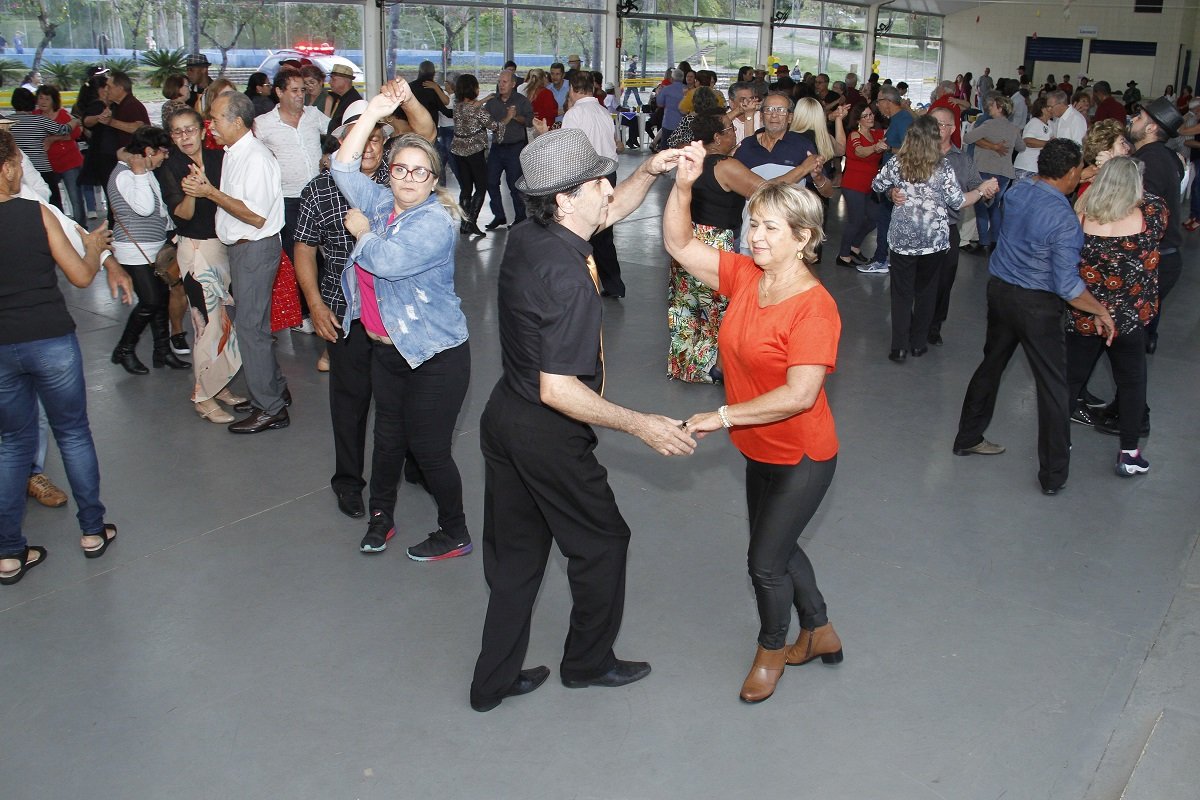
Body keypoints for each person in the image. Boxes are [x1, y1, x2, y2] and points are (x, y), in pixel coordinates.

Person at [469, 129, 694, 713]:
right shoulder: (567, 279)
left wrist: (650, 170)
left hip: (504, 417)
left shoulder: (533, 231)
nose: (607, 186)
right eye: (599, 179)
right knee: (603, 543)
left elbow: (611, 210)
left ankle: (491, 683)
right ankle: (588, 663)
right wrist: (640, 423)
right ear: (565, 197)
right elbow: (559, 389)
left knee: (517, 557)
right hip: (546, 430)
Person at [665, 142, 843, 703]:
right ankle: (820, 630)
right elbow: (678, 243)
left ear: (804, 238)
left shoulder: (815, 308)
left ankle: (772, 650)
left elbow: (799, 394)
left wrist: (721, 415)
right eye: (753, 225)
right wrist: (683, 186)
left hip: (803, 454)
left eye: (768, 228)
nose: (755, 237)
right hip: (759, 448)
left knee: (764, 562)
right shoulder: (747, 276)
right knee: (782, 544)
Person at [331, 82, 472, 561]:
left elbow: (386, 261)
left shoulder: (434, 222)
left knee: (430, 450)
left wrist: (363, 234)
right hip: (386, 351)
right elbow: (342, 165)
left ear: (434, 181)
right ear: (389, 174)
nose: (409, 179)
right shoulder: (381, 204)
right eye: (401, 169)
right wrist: (373, 111)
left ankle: (455, 531)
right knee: (387, 440)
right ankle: (380, 518)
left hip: (435, 355)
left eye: (420, 172)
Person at [952, 139, 1116, 496]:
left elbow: (1041, 200)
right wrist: (1101, 310)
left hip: (1000, 293)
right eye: (1079, 172)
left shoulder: (1017, 191)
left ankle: (967, 437)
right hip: (1038, 306)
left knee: (991, 365)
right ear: (1072, 173)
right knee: (1054, 388)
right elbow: (1069, 286)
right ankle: (1053, 475)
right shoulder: (1064, 221)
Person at [1, 129, 119, 585]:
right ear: (10, 167)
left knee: (12, 445)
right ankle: (93, 531)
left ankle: (9, 553)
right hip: (50, 338)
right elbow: (80, 275)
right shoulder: (35, 214)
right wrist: (93, 248)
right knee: (72, 433)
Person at [667, 110, 820, 384]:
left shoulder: (694, 159)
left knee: (687, 306)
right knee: (718, 307)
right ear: (717, 137)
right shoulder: (724, 165)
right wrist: (803, 169)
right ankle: (714, 367)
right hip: (714, 242)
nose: (735, 133)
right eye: (729, 129)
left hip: (689, 236)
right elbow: (766, 191)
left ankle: (687, 365)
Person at [293, 105, 392, 519]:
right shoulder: (319, 189)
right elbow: (303, 249)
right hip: (345, 314)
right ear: (341, 140)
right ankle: (349, 483)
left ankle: (417, 468)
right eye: (359, 134)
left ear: (385, 143)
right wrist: (314, 305)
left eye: (375, 136)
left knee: (400, 403)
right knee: (350, 405)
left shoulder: (401, 183)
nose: (368, 145)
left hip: (393, 315)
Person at [184, 91, 288, 434]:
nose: (209, 126)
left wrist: (209, 192)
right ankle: (274, 390)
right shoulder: (235, 153)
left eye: (214, 119)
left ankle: (269, 408)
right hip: (243, 250)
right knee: (251, 325)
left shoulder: (255, 158)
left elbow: (256, 217)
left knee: (250, 329)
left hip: (255, 250)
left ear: (237, 122)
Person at [1066, 157, 1163, 477]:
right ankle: (1129, 453)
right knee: (1133, 382)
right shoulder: (1148, 219)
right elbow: (1154, 199)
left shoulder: (1080, 219)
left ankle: (1058, 440)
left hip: (1086, 314)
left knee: (1070, 380)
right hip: (1128, 319)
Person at [872, 116, 997, 362]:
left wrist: (891, 190)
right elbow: (959, 202)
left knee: (901, 293)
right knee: (927, 291)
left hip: (902, 240)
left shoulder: (897, 163)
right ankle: (918, 343)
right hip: (934, 240)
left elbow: (876, 185)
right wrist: (982, 189)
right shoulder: (942, 167)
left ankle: (898, 346)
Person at [156, 107, 244, 423]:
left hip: (223, 248)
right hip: (195, 252)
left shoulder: (219, 158)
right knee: (206, 325)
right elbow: (182, 214)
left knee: (223, 322)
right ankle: (203, 396)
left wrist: (211, 189)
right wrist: (195, 191)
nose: (185, 137)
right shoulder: (171, 167)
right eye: (177, 132)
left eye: (189, 129)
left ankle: (217, 384)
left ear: (202, 130)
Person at [107, 125, 190, 375]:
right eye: (162, 152)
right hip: (134, 250)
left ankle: (162, 352)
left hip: (152, 247)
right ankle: (124, 349)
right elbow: (143, 208)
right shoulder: (126, 174)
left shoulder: (145, 172)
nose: (165, 157)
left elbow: (159, 209)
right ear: (148, 150)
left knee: (161, 301)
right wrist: (140, 173)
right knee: (151, 301)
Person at [560, 71, 625, 297]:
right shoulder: (604, 112)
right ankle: (614, 283)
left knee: (580, 231)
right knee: (605, 233)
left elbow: (568, 149)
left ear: (572, 89)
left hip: (586, 176)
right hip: (609, 174)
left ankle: (585, 284)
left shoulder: (573, 114)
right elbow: (614, 143)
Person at [1128, 98, 1184, 358]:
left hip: (1156, 257)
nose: (1133, 120)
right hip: (1163, 255)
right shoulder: (1161, 156)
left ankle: (1131, 398)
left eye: (1138, 117)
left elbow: (1143, 216)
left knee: (1131, 337)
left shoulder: (1148, 163)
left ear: (1151, 128)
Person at [928, 105, 986, 347]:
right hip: (917, 228)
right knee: (918, 280)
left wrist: (985, 191)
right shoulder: (915, 155)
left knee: (944, 280)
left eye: (942, 124)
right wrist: (893, 193)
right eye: (933, 124)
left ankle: (934, 325)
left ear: (952, 129)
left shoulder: (963, 160)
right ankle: (915, 320)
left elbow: (977, 185)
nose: (938, 129)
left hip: (947, 228)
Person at [858, 84, 913, 275]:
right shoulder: (899, 119)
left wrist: (887, 149)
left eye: (879, 102)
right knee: (885, 218)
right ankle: (883, 256)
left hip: (898, 178)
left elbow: (910, 150)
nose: (877, 107)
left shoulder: (903, 120)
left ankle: (881, 258)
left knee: (884, 219)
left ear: (887, 102)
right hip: (891, 176)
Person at [963, 91, 1023, 253]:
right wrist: (998, 146)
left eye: (993, 105)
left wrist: (987, 144)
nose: (990, 107)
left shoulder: (988, 125)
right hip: (1004, 173)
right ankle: (995, 241)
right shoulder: (1013, 128)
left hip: (984, 170)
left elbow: (967, 138)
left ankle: (983, 243)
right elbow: (1021, 147)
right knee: (995, 206)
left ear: (1000, 108)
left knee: (981, 207)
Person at [8, 87, 80, 212]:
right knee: (53, 207)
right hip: (43, 169)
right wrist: (75, 120)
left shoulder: (7, 122)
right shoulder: (40, 120)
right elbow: (64, 130)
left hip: (19, 169)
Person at [834, 102, 887, 267]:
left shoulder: (877, 134)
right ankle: (843, 256)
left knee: (873, 219)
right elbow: (860, 152)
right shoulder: (855, 136)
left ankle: (854, 247)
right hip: (853, 184)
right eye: (866, 116)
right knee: (855, 221)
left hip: (870, 185)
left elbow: (899, 131)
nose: (870, 118)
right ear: (858, 120)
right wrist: (875, 147)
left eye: (871, 114)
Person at [450, 74, 501, 238]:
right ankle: (472, 222)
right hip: (475, 152)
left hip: (458, 152)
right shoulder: (479, 110)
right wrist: (507, 119)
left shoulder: (457, 107)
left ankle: (464, 224)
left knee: (465, 188)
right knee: (481, 186)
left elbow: (470, 107)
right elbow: (493, 125)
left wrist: (485, 99)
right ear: (474, 89)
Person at [482, 69, 532, 230]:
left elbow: (529, 121)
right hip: (497, 147)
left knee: (514, 185)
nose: (501, 85)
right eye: (499, 82)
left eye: (504, 82)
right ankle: (499, 215)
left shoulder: (521, 101)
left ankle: (520, 217)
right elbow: (487, 122)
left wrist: (515, 116)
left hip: (515, 147)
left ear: (513, 84)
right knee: (490, 181)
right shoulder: (492, 102)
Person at [33, 86, 85, 226]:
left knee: (75, 198)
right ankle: (60, 227)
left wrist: (53, 138)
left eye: (47, 99)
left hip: (69, 162)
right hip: (48, 164)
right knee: (53, 199)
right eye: (40, 98)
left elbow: (75, 133)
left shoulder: (63, 115)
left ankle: (81, 227)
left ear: (53, 100)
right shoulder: (34, 115)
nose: (42, 101)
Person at [1013, 97, 1052, 181]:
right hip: (1026, 167)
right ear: (1043, 109)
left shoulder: (1051, 124)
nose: (1052, 109)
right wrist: (1049, 144)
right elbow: (1028, 141)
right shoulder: (1034, 122)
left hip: (1038, 169)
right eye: (1049, 106)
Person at [654, 68, 687, 147]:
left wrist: (658, 93)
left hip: (668, 122)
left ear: (672, 78)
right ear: (683, 78)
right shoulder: (687, 89)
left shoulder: (666, 89)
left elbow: (660, 104)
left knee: (665, 146)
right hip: (683, 123)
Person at [327, 64, 363, 132]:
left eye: (333, 79)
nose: (329, 82)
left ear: (346, 81)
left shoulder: (354, 102)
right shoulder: (338, 98)